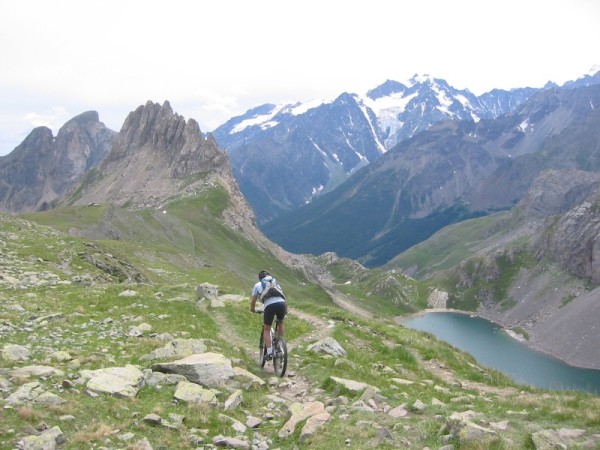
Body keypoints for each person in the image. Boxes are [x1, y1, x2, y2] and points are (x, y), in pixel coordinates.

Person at [250, 270, 287, 360]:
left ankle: (270, 352)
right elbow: (282, 295)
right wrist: (285, 309)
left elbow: (253, 300)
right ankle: (280, 344)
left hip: (269, 306)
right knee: (281, 322)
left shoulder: (258, 285)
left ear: (260, 278)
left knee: (267, 328)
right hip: (282, 303)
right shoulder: (274, 282)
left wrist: (253, 309)